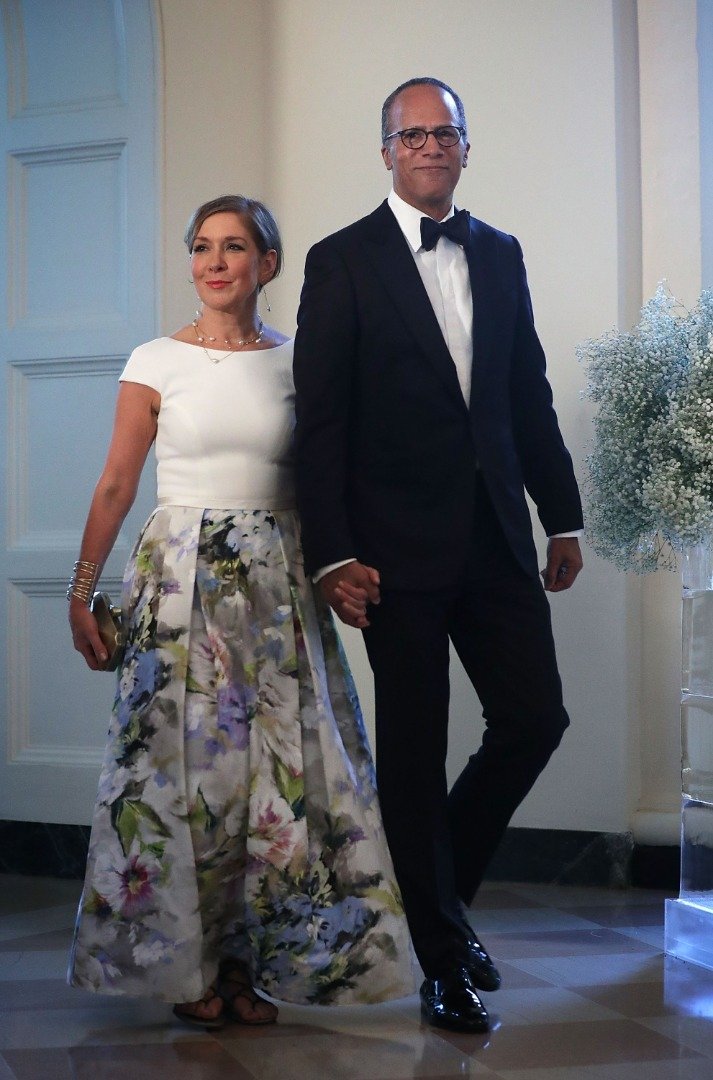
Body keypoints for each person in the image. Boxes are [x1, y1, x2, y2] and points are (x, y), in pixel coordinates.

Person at [67, 194, 415, 1029]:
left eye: (234, 247)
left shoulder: (302, 360)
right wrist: (82, 591)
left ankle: (248, 966)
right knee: (181, 782)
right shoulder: (155, 359)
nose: (214, 262)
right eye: (201, 247)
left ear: (268, 263)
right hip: (178, 586)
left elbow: (334, 478)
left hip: (274, 589)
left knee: (276, 780)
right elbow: (117, 482)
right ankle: (186, 969)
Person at [293, 78, 583, 1033]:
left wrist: (563, 517)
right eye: (410, 134)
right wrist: (332, 554)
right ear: (385, 151)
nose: (427, 145)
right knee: (413, 755)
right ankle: (438, 957)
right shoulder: (340, 261)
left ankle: (436, 902)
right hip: (389, 552)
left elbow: (526, 392)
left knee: (533, 718)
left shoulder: (497, 251)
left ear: (466, 146)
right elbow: (323, 420)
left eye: (443, 132)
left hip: (496, 537)